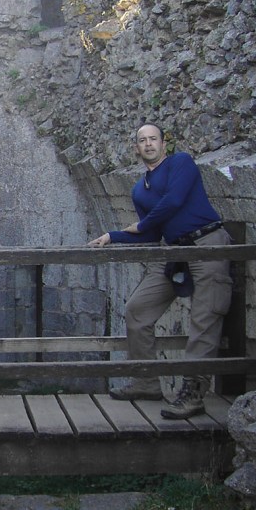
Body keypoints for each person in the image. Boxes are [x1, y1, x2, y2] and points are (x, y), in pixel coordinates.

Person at [88, 123, 232, 419]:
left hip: (206, 243)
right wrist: (113, 236)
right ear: (136, 148)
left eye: (153, 138)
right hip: (172, 250)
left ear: (164, 143)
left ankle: (193, 395)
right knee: (138, 310)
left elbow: (174, 200)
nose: (148, 144)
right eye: (142, 140)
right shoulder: (139, 190)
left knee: (205, 317)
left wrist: (140, 225)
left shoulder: (181, 163)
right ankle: (147, 381)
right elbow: (151, 233)